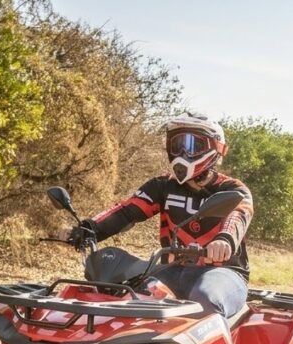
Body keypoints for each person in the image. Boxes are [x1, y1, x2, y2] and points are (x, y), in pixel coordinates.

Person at [63, 113, 253, 318]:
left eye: (193, 145)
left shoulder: (233, 189)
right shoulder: (162, 185)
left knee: (204, 299)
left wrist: (224, 240)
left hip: (224, 272)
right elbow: (127, 210)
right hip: (172, 269)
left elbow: (238, 217)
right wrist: (88, 228)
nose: (182, 152)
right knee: (130, 297)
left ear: (215, 149)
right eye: (177, 144)